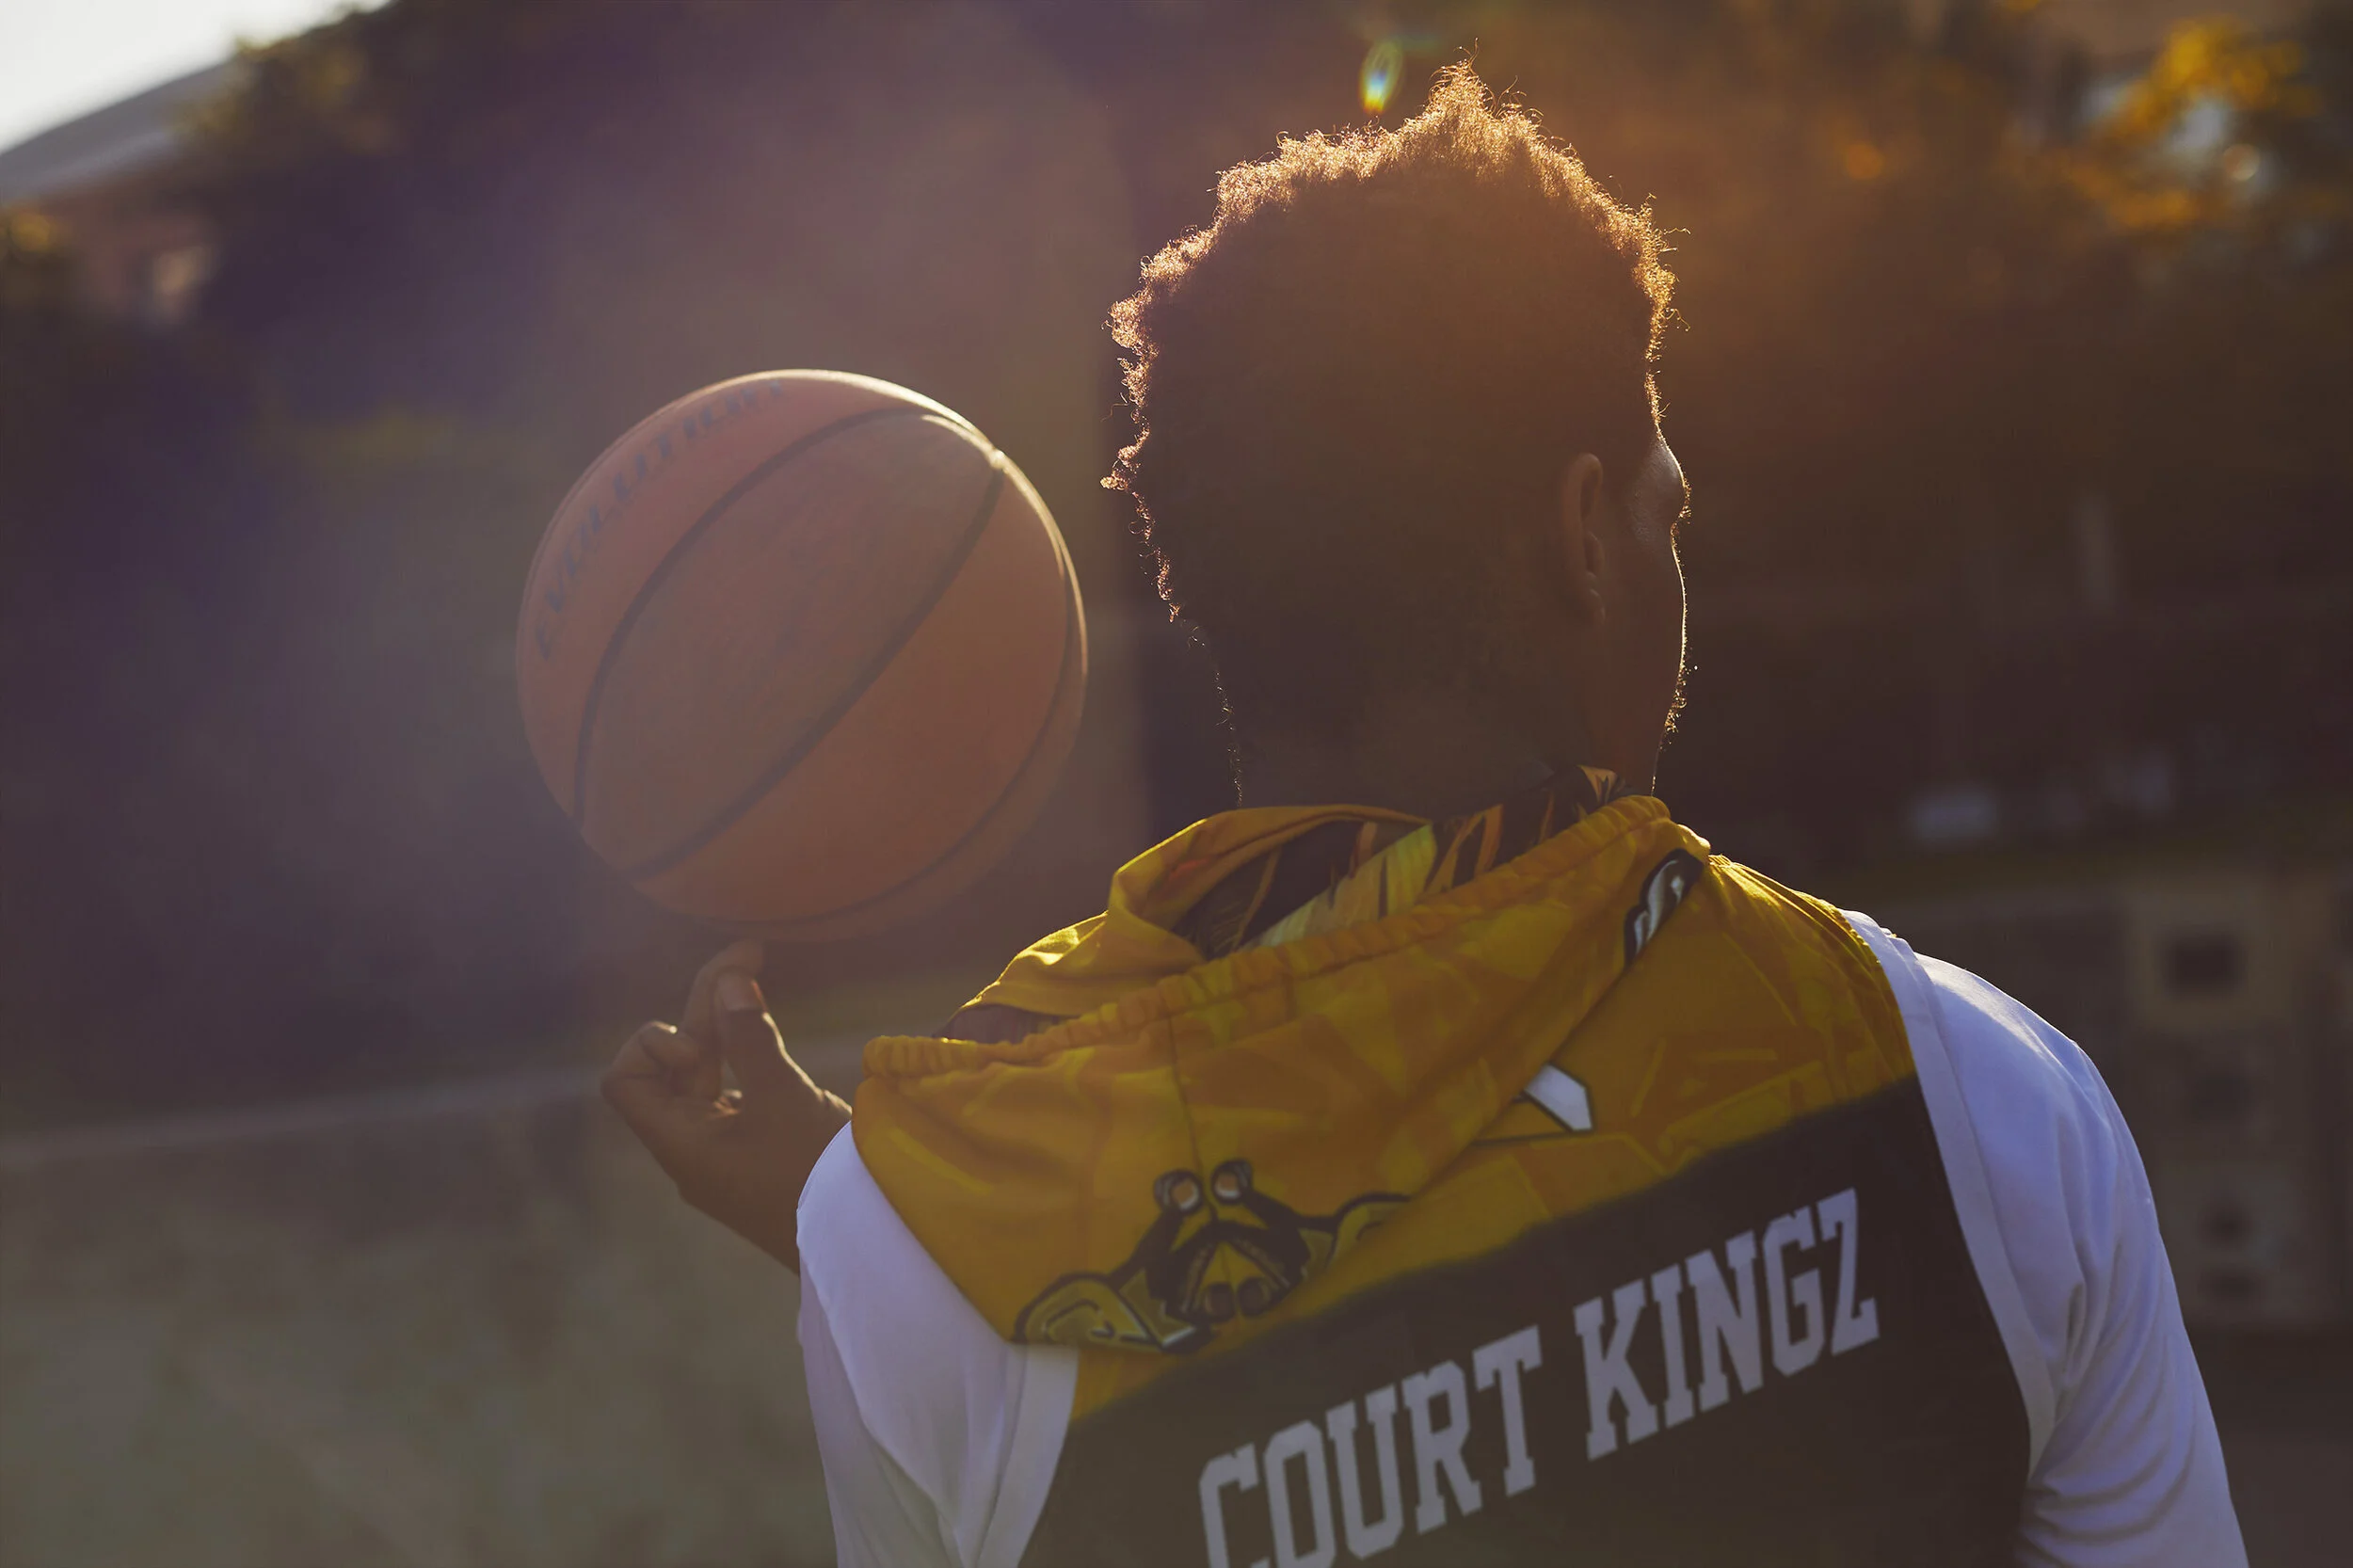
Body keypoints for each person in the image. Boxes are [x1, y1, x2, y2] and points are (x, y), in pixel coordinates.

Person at [602, 68, 2243, 1568]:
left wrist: (870, 1224)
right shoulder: (1977, 1103)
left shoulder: (924, 1246)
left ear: (1220, 590)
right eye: (1670, 502)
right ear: (1587, 532)